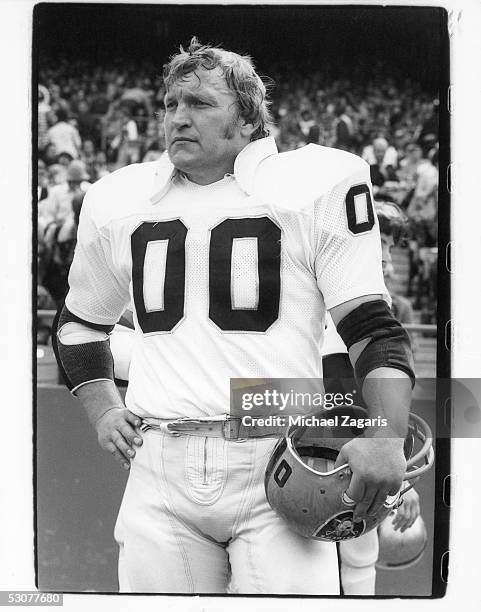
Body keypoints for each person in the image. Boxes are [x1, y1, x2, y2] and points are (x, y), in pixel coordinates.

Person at [54, 38, 414, 594]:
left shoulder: (315, 184)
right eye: (170, 104)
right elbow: (78, 325)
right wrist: (103, 408)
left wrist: (386, 432)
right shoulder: (117, 199)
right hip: (159, 461)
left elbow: (370, 328)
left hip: (278, 459)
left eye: (199, 103)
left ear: (247, 120)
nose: (178, 118)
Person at [321, 200, 420, 595]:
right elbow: (345, 391)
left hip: (339, 450)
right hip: (327, 451)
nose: (385, 257)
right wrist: (400, 477)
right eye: (379, 241)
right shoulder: (334, 296)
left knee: (357, 555)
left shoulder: (371, 297)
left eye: (390, 246)